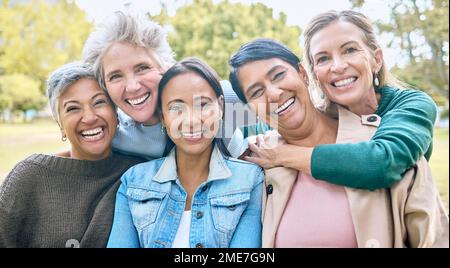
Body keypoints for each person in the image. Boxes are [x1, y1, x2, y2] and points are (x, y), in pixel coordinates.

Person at [228, 38, 448, 247]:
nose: (274, 93)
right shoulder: (256, 166)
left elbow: (433, 240)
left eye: (278, 75)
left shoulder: (384, 140)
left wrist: (284, 154)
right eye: (257, 92)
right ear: (250, 109)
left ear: (303, 73)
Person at [229, 10, 438, 191]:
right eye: (323, 58)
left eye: (350, 50)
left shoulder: (411, 105)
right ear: (313, 74)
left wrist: (283, 155)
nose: (337, 66)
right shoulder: (309, 115)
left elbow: (382, 163)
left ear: (376, 59)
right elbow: (251, 128)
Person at [107, 58, 263, 248]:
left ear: (220, 107)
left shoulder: (250, 179)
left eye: (203, 105)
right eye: (176, 108)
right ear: (163, 117)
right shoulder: (133, 182)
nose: (191, 120)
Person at [0, 62, 144, 247]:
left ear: (116, 114)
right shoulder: (29, 176)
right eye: (73, 108)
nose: (90, 117)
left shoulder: (137, 173)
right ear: (60, 124)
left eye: (99, 102)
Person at [82, 11, 241, 159]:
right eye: (115, 76)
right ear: (105, 86)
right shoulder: (116, 135)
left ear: (166, 67)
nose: (132, 86)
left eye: (143, 68)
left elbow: (263, 111)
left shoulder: (220, 95)